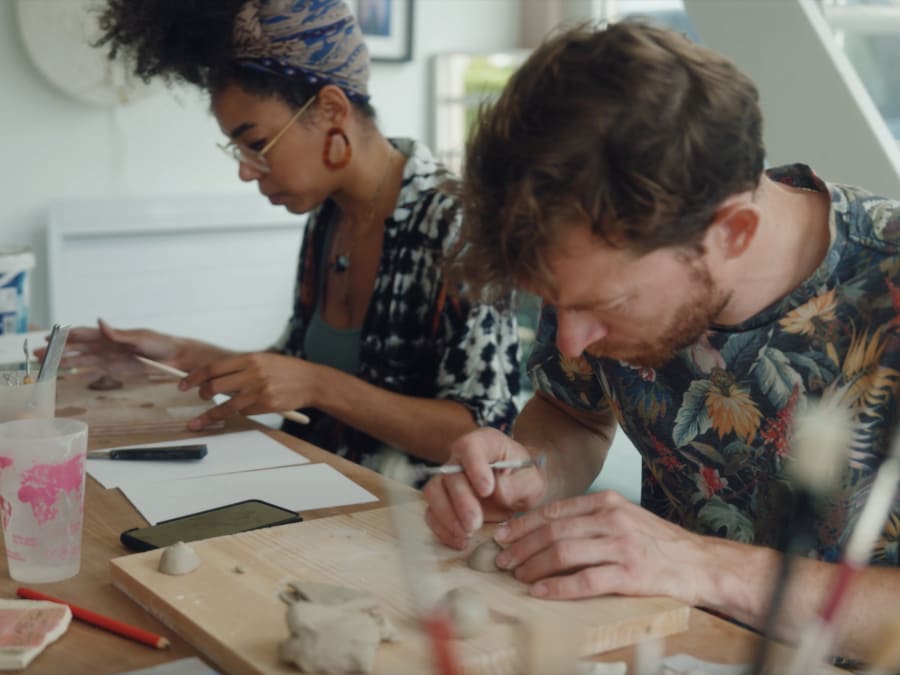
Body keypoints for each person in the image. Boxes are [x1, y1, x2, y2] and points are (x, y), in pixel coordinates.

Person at [422, 20, 900, 661]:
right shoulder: (600, 255)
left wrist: (699, 565)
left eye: (605, 307)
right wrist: (531, 471)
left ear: (732, 233)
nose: (570, 342)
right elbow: (573, 412)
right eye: (556, 304)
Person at [61, 0, 520, 474]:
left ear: (330, 109)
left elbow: (484, 432)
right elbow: (292, 369)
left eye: (256, 144)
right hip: (316, 489)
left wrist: (323, 386)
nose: (244, 170)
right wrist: (176, 354)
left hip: (414, 524)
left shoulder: (456, 224)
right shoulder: (329, 217)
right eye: (236, 150)